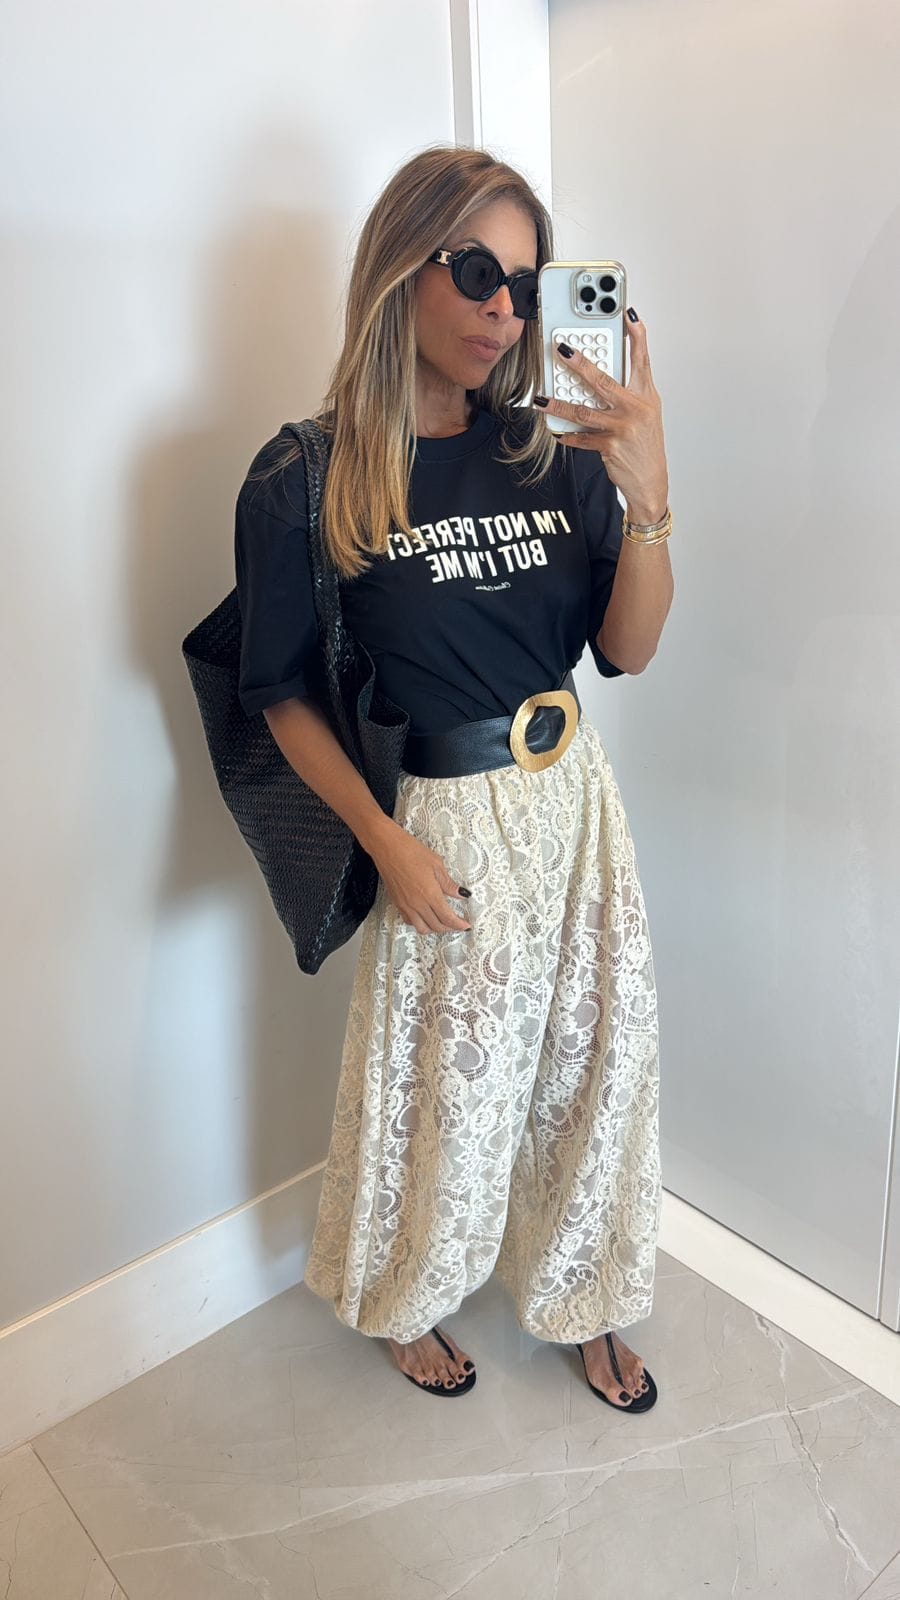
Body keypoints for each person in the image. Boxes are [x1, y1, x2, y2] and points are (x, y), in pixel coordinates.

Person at [234, 144, 673, 1410]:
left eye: (526, 287)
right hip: (445, 817)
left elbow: (630, 649)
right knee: (448, 1092)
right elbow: (279, 691)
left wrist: (650, 498)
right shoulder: (305, 475)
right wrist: (386, 842)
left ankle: (587, 1296)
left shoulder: (556, 452)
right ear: (401, 265)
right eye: (477, 271)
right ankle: (410, 1290)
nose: (505, 310)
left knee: (597, 1069)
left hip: (576, 804)